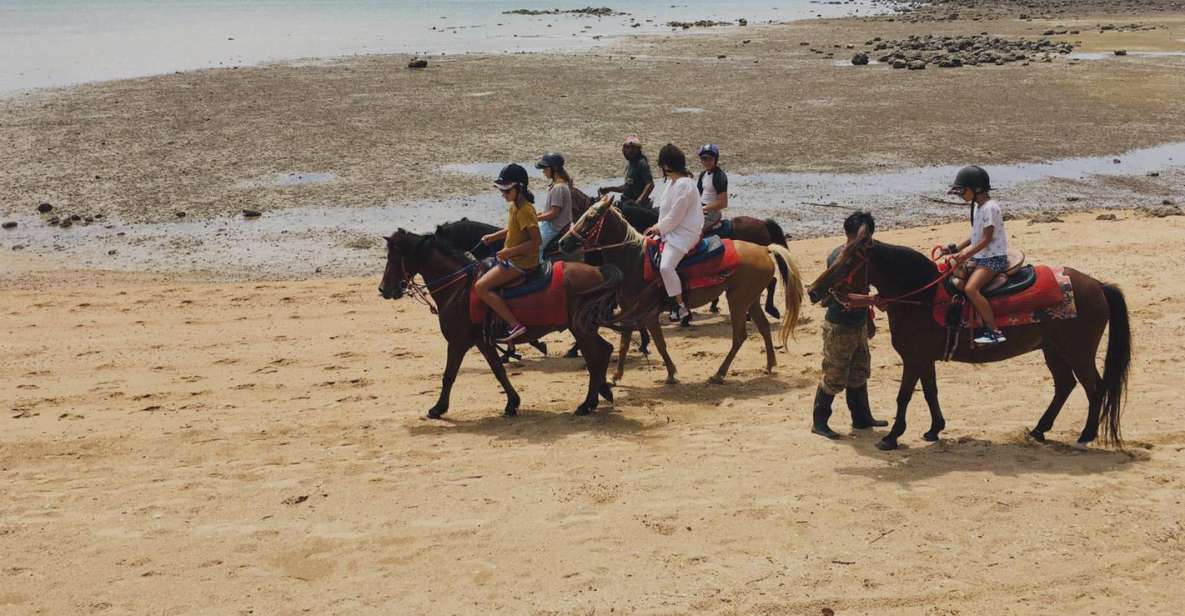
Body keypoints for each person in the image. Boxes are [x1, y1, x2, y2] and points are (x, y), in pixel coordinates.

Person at [811, 212, 889, 439]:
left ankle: (861, 417)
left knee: (859, 371)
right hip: (840, 325)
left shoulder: (860, 257)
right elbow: (842, 296)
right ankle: (819, 421)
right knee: (834, 374)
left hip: (858, 322)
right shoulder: (839, 258)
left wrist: (869, 316)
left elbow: (864, 289)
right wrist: (873, 301)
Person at [943, 165, 1009, 347]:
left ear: (976, 189)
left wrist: (966, 254)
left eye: (962, 191)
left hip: (993, 258)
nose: (960, 195)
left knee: (971, 289)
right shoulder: (979, 207)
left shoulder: (989, 208)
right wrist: (955, 248)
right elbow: (975, 236)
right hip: (981, 257)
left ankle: (994, 331)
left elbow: (987, 238)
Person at [476, 164, 541, 343]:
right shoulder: (515, 206)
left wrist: (508, 252)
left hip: (522, 263)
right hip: (513, 258)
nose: (503, 194)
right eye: (502, 191)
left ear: (519, 188)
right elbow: (512, 230)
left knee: (481, 287)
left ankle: (515, 325)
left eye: (506, 190)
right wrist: (494, 236)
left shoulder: (526, 210)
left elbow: (536, 242)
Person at [645, 144, 704, 323]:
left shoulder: (684, 185)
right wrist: (656, 229)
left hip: (684, 233)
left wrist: (658, 228)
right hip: (670, 230)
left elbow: (675, 215)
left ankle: (680, 306)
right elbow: (665, 213)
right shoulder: (672, 183)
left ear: (665, 165)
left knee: (665, 267)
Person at [534, 152, 575, 260]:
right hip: (550, 225)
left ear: (554, 168)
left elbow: (554, 213)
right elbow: (549, 210)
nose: (543, 171)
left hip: (554, 227)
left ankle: (540, 268)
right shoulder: (557, 185)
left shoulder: (559, 187)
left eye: (545, 168)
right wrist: (538, 215)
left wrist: (535, 218)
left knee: (534, 247)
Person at [598, 135, 655, 208]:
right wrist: (610, 189)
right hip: (625, 202)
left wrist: (638, 202)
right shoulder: (631, 163)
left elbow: (650, 184)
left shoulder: (641, 163)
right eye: (627, 147)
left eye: (633, 148)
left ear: (638, 149)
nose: (630, 150)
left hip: (633, 204)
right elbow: (627, 187)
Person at [696, 144, 729, 232]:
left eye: (710, 159)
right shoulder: (703, 175)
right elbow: (697, 195)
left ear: (715, 159)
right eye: (704, 159)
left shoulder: (720, 176)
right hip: (702, 210)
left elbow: (723, 203)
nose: (707, 162)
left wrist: (703, 208)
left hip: (712, 213)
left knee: (695, 230)